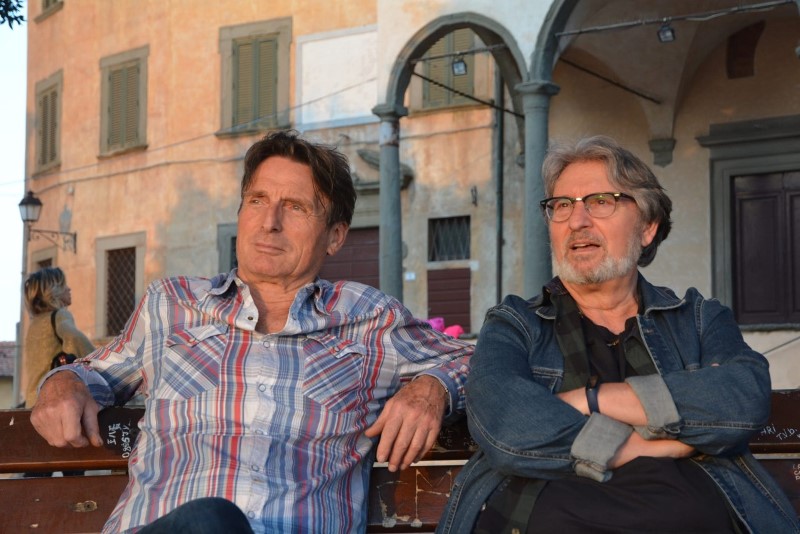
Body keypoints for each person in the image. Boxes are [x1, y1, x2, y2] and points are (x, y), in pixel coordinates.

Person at [30, 130, 473, 533]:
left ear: (335, 236)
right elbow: (91, 374)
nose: (269, 222)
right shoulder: (171, 304)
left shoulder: (370, 320)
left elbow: (478, 361)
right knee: (210, 521)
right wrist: (63, 384)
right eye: (258, 201)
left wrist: (433, 388)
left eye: (295, 207)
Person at [437, 136, 799, 533]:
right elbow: (505, 422)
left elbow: (741, 398)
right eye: (562, 205)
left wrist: (590, 400)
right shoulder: (515, 324)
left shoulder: (697, 320)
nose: (577, 221)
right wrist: (634, 445)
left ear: (647, 227)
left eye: (600, 201)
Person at [23, 266, 95, 408]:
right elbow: (74, 338)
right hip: (54, 400)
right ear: (53, 291)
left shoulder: (34, 324)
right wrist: (99, 361)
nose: (69, 289)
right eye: (64, 285)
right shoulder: (59, 315)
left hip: (32, 402)